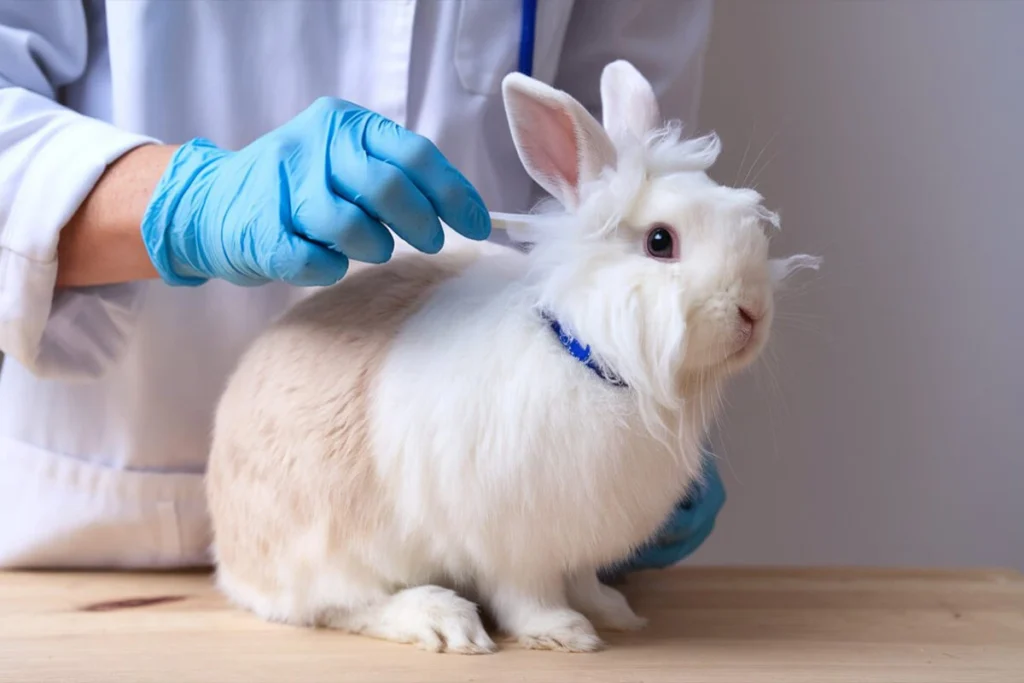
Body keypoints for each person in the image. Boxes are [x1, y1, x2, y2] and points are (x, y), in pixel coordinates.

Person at [0, 0, 723, 570]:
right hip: (109, 513)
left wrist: (634, 417)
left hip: (465, 537)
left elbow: (636, 183)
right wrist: (189, 201)